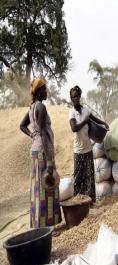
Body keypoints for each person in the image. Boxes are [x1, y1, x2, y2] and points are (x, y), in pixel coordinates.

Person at [20, 79, 61, 228]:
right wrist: (50, 160)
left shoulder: (32, 108)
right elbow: (43, 132)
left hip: (35, 150)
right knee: (48, 187)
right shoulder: (41, 107)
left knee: (39, 188)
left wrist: (32, 135)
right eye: (44, 89)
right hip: (43, 151)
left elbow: (22, 125)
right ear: (38, 92)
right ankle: (47, 226)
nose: (47, 92)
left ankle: (39, 224)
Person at [69, 85, 109, 203]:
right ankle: (77, 201)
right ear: (71, 99)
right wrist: (84, 121)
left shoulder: (86, 110)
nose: (76, 98)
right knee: (78, 177)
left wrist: (104, 124)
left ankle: (90, 202)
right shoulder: (71, 112)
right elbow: (74, 128)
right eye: (73, 97)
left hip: (88, 149)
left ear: (80, 96)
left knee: (89, 177)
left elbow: (94, 119)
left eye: (77, 96)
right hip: (78, 150)